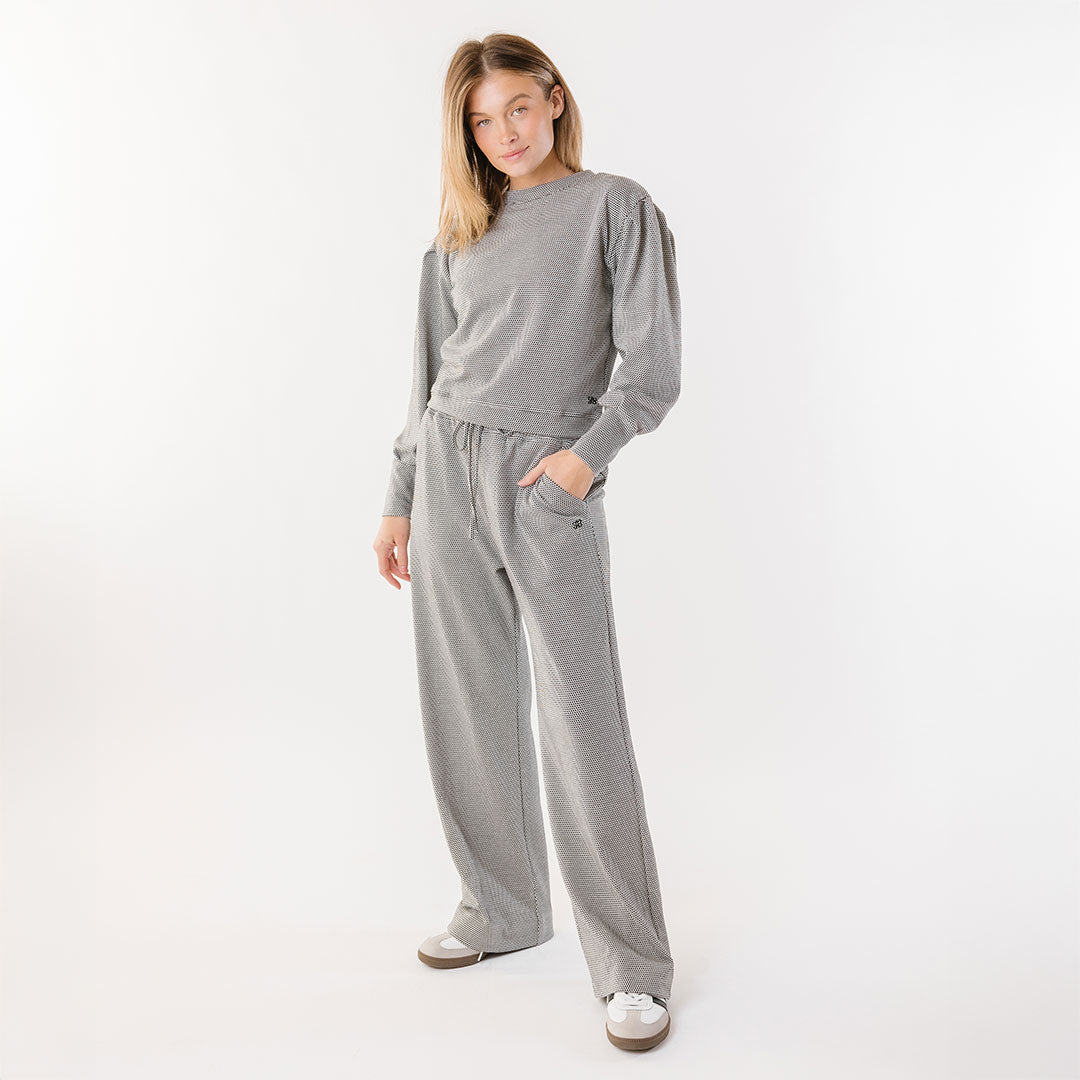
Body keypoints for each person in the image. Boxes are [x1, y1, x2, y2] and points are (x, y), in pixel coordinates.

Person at [373, 32, 682, 1052]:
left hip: (546, 480)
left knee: (581, 721)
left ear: (552, 98)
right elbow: (430, 378)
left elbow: (652, 366)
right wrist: (400, 497)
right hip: (447, 471)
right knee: (467, 704)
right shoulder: (459, 233)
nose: (503, 132)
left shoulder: (613, 208)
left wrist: (584, 461)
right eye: (481, 119)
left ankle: (632, 967)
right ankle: (501, 907)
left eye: (516, 106)